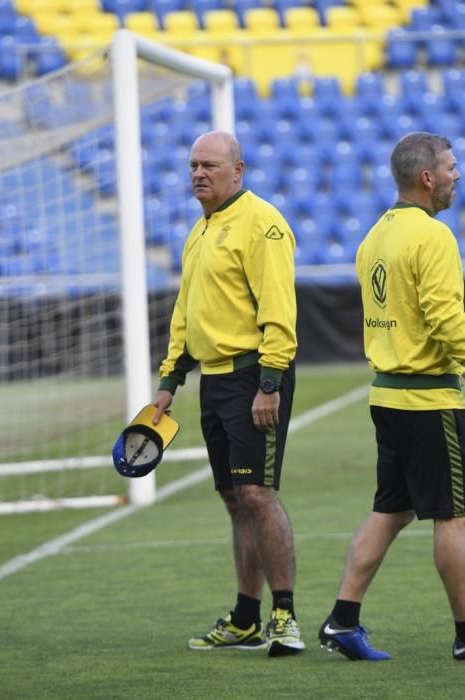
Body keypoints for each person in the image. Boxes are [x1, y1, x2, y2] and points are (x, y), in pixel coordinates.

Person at [151, 130, 305, 657]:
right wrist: (169, 382)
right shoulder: (201, 229)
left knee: (258, 494)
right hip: (214, 381)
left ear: (237, 170)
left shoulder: (262, 224)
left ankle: (285, 616)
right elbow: (185, 313)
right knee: (235, 499)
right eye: (193, 164)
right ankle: (245, 618)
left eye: (210, 165)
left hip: (253, 377)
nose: (199, 173)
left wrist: (268, 385)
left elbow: (279, 312)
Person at [319, 131, 465, 662]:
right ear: (427, 177)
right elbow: (447, 318)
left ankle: (342, 620)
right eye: (450, 167)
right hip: (429, 400)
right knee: (453, 516)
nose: (455, 174)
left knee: (392, 510)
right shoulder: (434, 237)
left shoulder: (375, 234)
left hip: (387, 397)